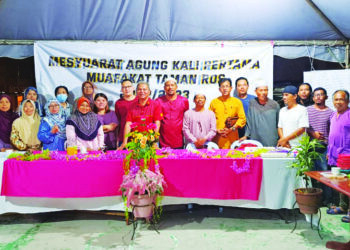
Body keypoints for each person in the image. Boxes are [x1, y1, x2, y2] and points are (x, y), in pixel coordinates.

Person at [326, 90, 350, 222]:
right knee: (341, 183)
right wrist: (329, 153)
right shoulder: (333, 115)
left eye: (341, 99)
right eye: (336, 99)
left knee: (349, 183)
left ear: (347, 101)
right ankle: (343, 206)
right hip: (335, 155)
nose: (338, 102)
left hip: (348, 155)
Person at [307, 87, 334, 205]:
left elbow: (333, 132)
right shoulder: (307, 110)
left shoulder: (331, 113)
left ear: (326, 97)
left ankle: (328, 199)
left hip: (324, 147)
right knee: (310, 173)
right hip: (309, 147)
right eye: (316, 95)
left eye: (321, 95)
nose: (318, 97)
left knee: (324, 173)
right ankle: (312, 199)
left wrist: (330, 150)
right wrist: (312, 133)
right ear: (313, 98)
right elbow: (302, 126)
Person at [118, 82, 163, 150]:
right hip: (135, 140)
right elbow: (128, 124)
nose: (142, 91)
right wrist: (124, 142)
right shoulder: (131, 106)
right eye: (139, 89)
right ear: (136, 92)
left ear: (149, 91)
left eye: (144, 89)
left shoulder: (155, 104)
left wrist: (154, 141)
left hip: (150, 140)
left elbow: (157, 123)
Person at [209, 78, 246, 149]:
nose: (225, 89)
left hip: (232, 138)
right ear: (219, 89)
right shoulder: (214, 102)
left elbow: (242, 119)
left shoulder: (237, 102)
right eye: (223, 86)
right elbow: (209, 120)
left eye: (227, 86)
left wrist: (232, 129)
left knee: (232, 158)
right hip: (217, 138)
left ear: (231, 88)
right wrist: (216, 130)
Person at [240, 81, 280, 146]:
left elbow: (279, 124)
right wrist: (246, 135)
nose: (263, 93)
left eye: (265, 90)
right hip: (255, 139)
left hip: (270, 140)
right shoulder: (252, 103)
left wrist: (281, 138)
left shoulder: (274, 105)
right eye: (261, 90)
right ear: (255, 91)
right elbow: (249, 122)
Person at [156, 78, 189, 149]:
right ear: (164, 88)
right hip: (163, 140)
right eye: (167, 85)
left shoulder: (184, 101)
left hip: (179, 140)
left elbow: (187, 120)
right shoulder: (158, 101)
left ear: (176, 87)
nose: (170, 87)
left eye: (172, 85)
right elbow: (156, 121)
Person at [115, 79, 137, 147]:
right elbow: (119, 121)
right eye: (124, 87)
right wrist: (117, 139)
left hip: (138, 137)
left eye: (129, 86)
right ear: (121, 89)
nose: (127, 89)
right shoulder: (118, 103)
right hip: (123, 138)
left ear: (133, 88)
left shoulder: (140, 100)